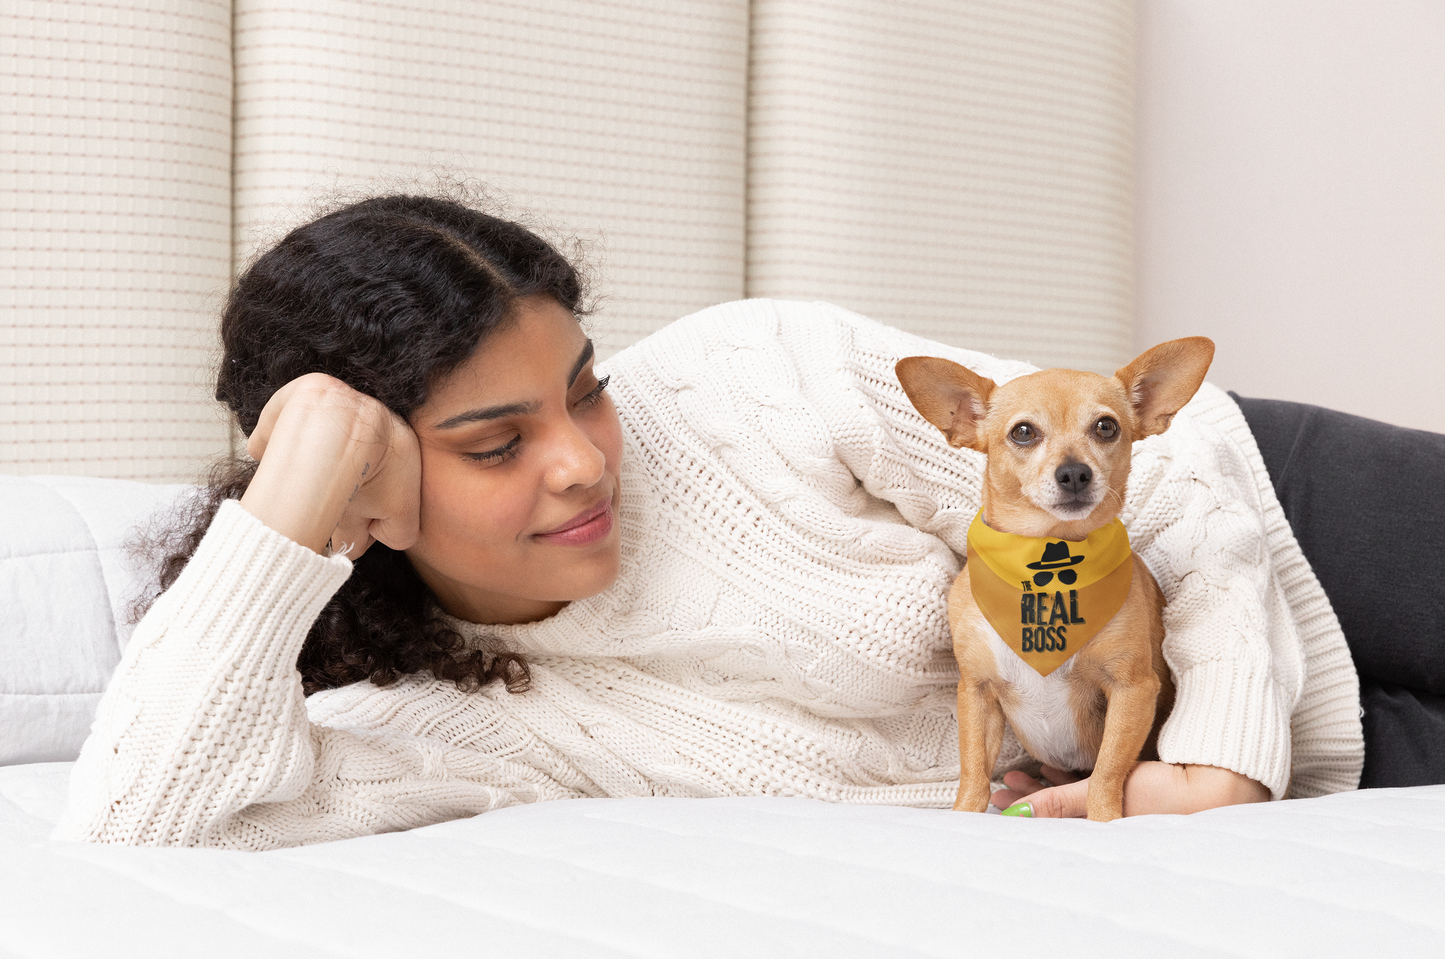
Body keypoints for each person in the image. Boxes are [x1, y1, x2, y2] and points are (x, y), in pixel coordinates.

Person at [55, 194, 1366, 849]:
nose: (579, 461)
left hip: (1271, 517)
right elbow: (135, 816)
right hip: (1211, 770)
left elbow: (1152, 483)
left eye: (585, 391)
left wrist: (1231, 755)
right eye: (499, 443)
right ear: (367, 491)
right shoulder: (441, 712)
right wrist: (296, 495)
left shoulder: (754, 378)